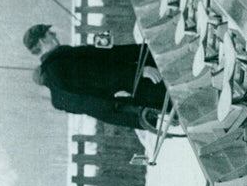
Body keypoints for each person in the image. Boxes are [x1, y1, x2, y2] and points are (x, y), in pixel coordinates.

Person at [24, 24, 166, 130]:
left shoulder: (57, 80)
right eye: (50, 34)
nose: (55, 35)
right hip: (143, 90)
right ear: (42, 41)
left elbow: (106, 58)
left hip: (139, 112)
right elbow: (102, 77)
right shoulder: (59, 66)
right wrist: (138, 72)